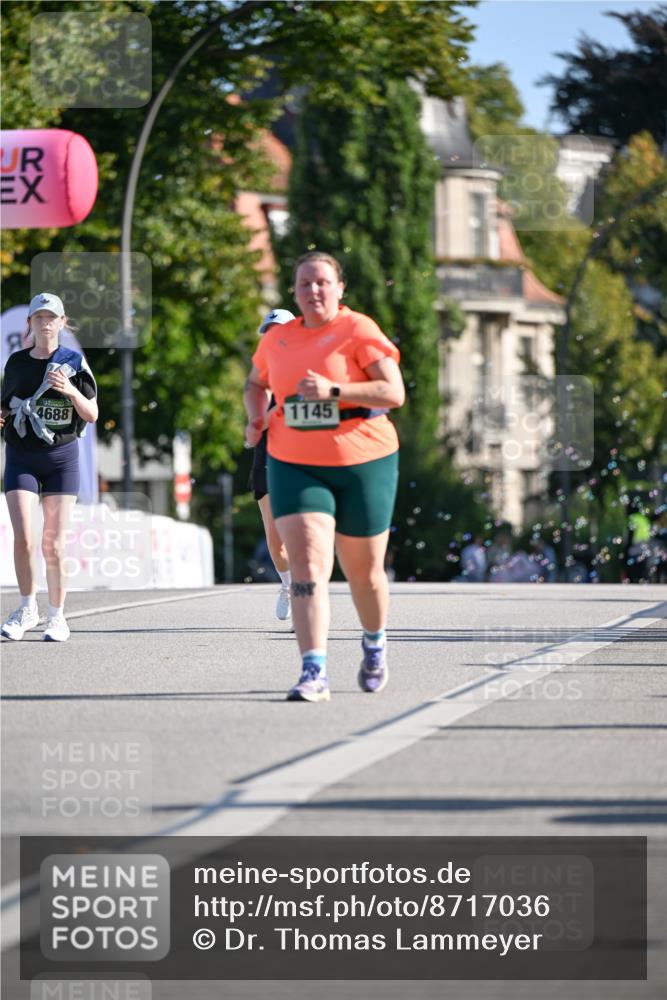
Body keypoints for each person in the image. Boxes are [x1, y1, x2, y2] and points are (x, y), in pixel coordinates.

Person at [244, 251, 405, 702]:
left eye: (322, 282)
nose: (313, 291)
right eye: (304, 284)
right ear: (293, 293)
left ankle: (374, 642)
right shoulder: (279, 340)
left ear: (340, 288)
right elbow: (255, 384)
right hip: (295, 461)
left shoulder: (358, 331)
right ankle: (313, 670)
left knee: (365, 573)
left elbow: (393, 392)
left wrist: (335, 391)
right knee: (308, 566)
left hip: (363, 460)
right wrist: (256, 418)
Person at [1, 292, 98, 641]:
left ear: (62, 322)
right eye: (38, 317)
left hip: (61, 459)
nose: (45, 323)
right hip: (21, 456)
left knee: (53, 543)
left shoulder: (73, 361)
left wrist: (70, 391)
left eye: (51, 317)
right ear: (30, 324)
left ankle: (57, 616)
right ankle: (27, 607)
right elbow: (5, 407)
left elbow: (92, 413)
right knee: (25, 537)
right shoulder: (16, 363)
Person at [244, 308, 295, 620]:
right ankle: (288, 586)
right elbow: (254, 422)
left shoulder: (307, 369)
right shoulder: (259, 375)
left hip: (301, 458)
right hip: (267, 457)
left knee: (301, 533)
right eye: (269, 332)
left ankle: (306, 596)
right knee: (276, 544)